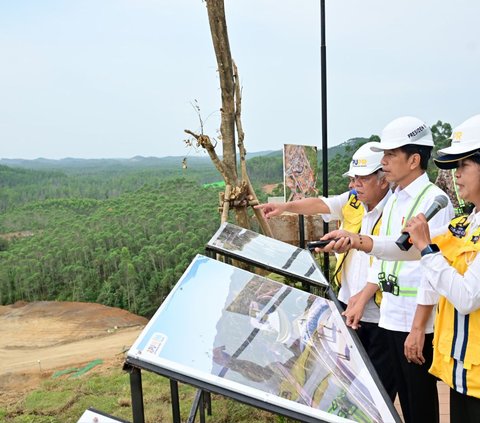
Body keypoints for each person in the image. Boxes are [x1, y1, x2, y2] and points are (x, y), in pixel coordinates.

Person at [319, 116, 454, 423]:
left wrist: (419, 327)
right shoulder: (395, 199)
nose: (385, 161)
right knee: (395, 398)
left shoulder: (433, 200)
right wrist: (356, 241)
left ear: (414, 159)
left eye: (391, 154)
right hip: (391, 313)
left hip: (415, 318)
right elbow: (392, 248)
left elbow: (432, 267)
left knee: (418, 404)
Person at [255, 141, 397, 401]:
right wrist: (286, 208)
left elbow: (392, 259)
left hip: (380, 312)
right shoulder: (353, 201)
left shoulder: (396, 209)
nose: (354, 185)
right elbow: (320, 204)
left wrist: (364, 297)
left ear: (383, 180)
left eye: (361, 179)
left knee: (379, 389)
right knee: (348, 382)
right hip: (347, 303)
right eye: (353, 179)